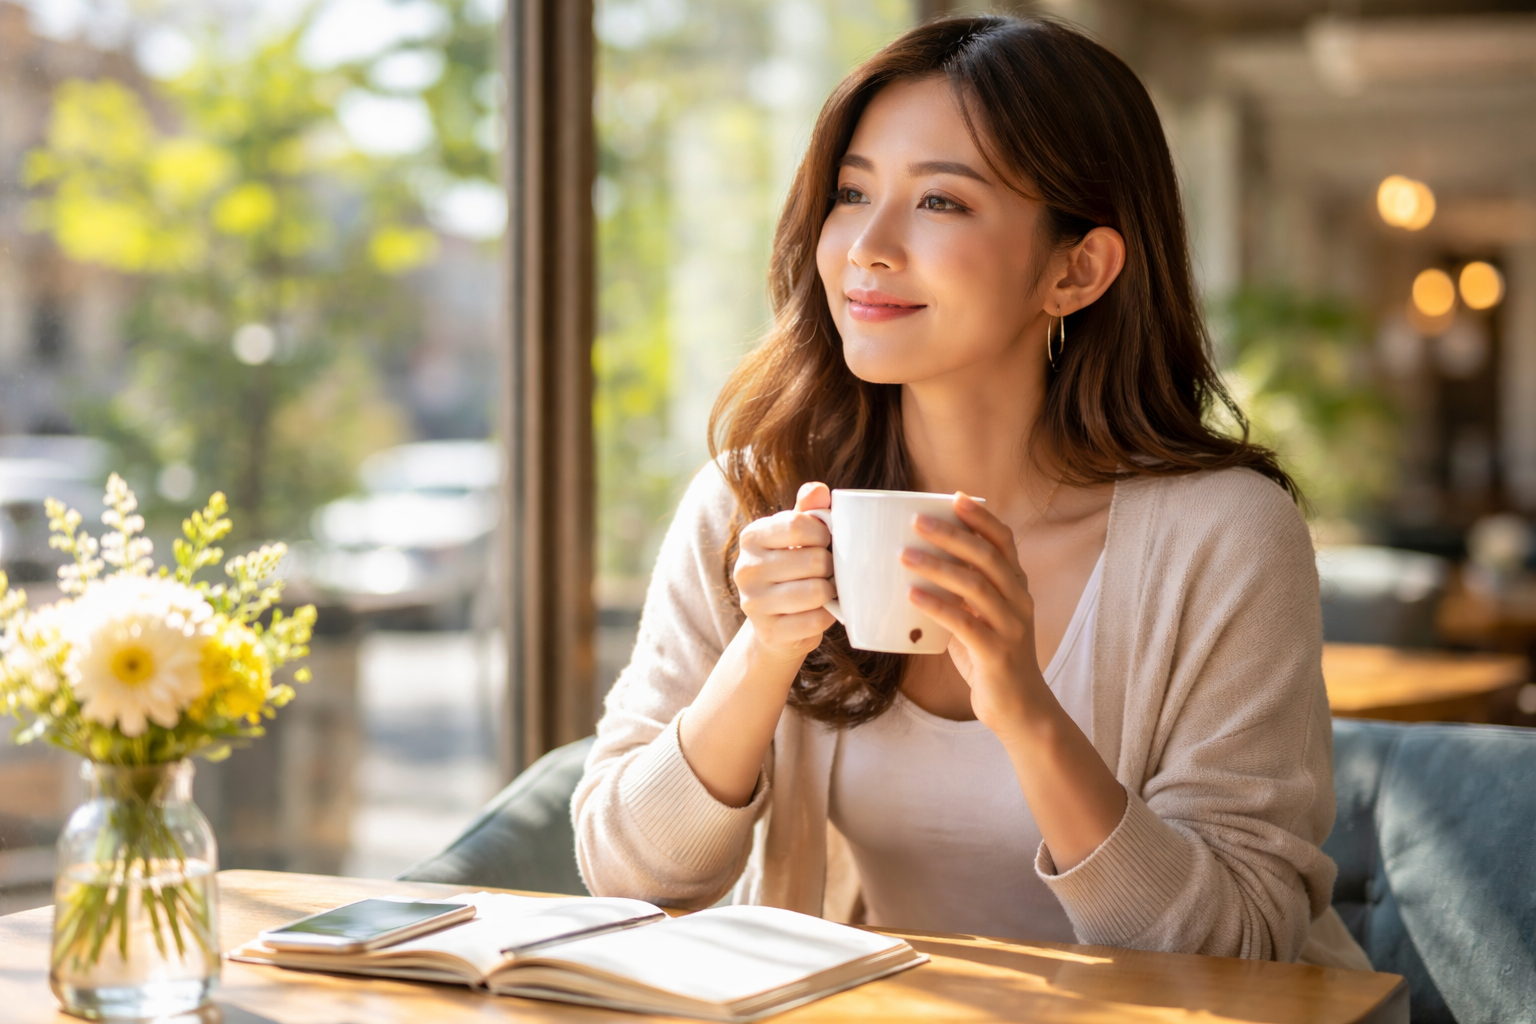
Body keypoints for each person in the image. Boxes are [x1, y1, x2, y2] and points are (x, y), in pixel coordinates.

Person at [573, 14, 1369, 968]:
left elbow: (1241, 945)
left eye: (940, 201)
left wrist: (1025, 708)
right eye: (851, 193)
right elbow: (626, 874)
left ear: (1076, 269)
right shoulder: (755, 499)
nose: (867, 246)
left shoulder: (1224, 535)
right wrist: (763, 651)